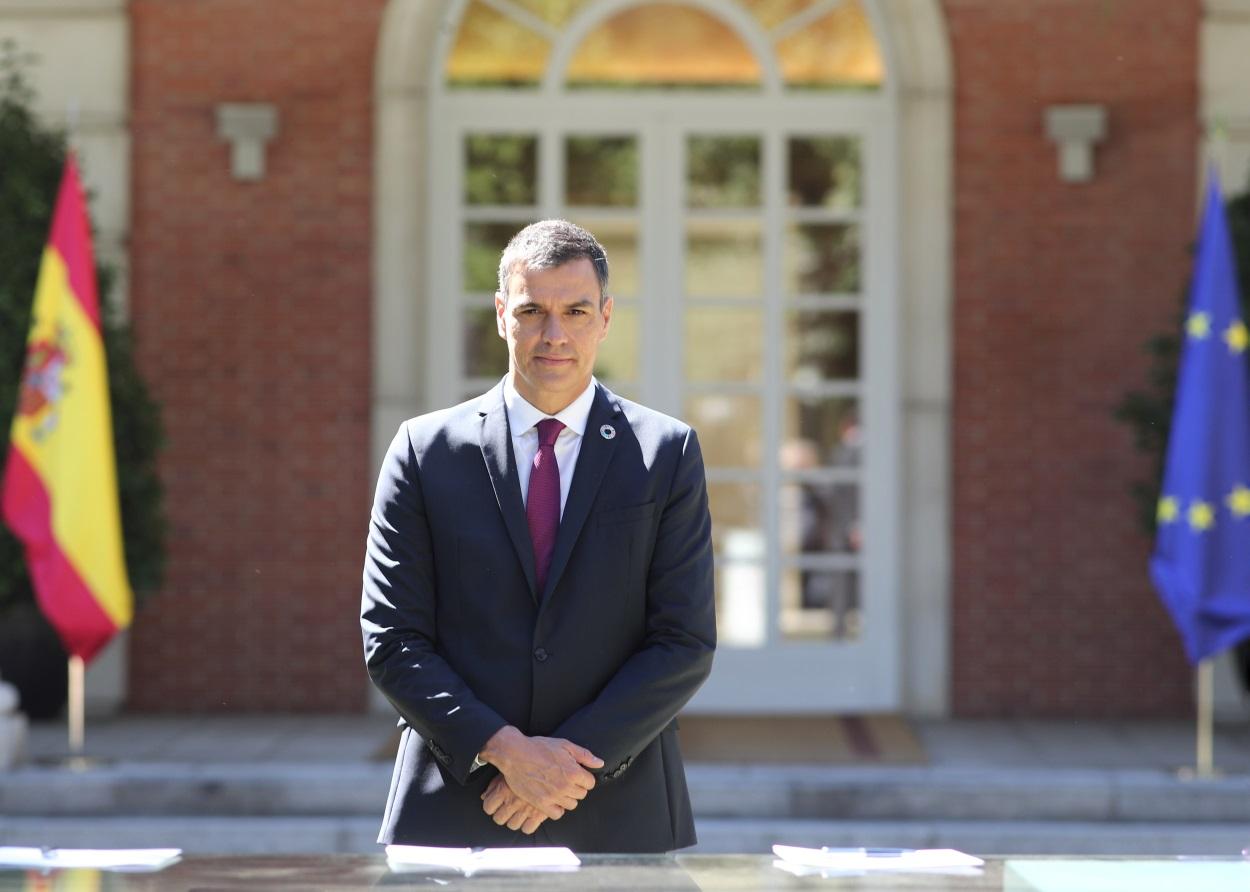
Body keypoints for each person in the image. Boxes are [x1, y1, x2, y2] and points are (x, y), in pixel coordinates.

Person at [360, 220, 716, 853]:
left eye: (575, 310)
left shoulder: (666, 453)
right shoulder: (424, 451)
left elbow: (683, 641)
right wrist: (503, 751)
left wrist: (563, 770)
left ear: (605, 318)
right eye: (532, 311)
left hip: (619, 808)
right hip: (456, 805)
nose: (554, 334)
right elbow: (392, 639)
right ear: (502, 315)